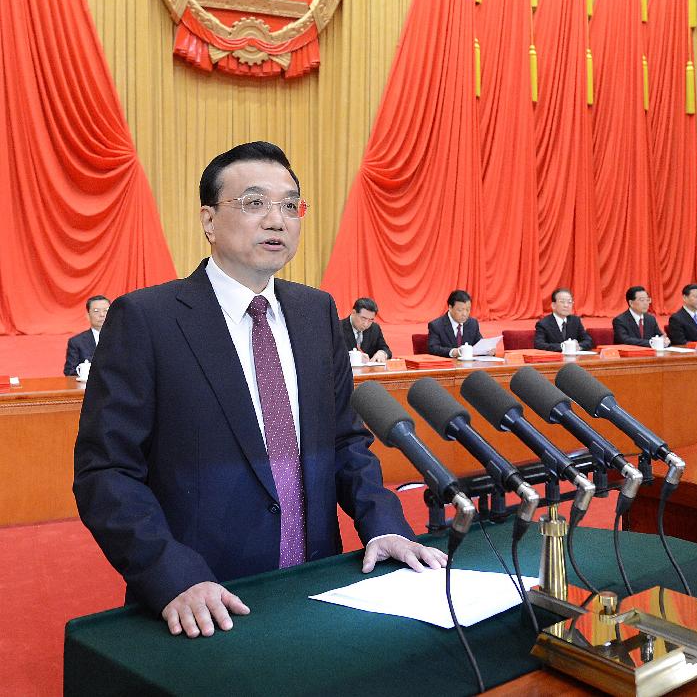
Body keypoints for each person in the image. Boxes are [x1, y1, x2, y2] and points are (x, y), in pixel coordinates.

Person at [74, 141, 445, 639]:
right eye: (254, 203)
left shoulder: (317, 313)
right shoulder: (147, 319)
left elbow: (344, 442)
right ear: (208, 221)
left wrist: (384, 523)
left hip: (317, 583)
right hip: (205, 600)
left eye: (291, 205)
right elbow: (107, 471)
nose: (277, 220)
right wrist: (171, 575)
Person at [427, 290, 494, 358]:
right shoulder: (436, 326)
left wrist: (487, 350)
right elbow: (433, 348)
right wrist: (453, 352)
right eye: (460, 310)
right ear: (450, 308)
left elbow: (479, 344)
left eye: (468, 309)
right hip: (448, 366)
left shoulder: (472, 323)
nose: (464, 314)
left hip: (470, 366)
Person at [63, 295, 110, 375]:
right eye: (96, 311)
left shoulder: (123, 338)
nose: (102, 314)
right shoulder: (77, 342)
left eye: (106, 310)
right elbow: (70, 372)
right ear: (88, 316)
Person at [339, 297, 391, 363]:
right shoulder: (337, 328)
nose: (366, 324)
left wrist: (382, 353)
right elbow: (330, 353)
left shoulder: (375, 328)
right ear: (353, 312)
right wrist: (354, 357)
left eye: (370, 320)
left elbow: (385, 349)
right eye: (363, 318)